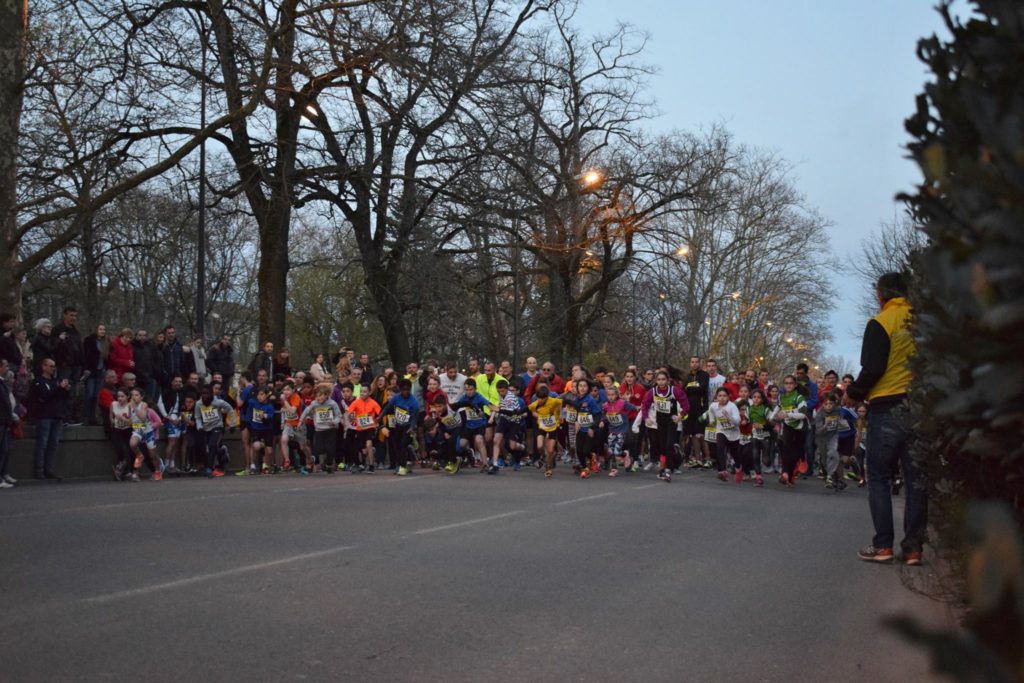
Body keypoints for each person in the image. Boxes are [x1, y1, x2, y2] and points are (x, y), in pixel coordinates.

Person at [848, 272, 925, 566]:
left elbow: (873, 367)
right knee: (917, 480)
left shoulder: (881, 322)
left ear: (881, 295)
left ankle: (883, 547)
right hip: (920, 406)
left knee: (879, 477)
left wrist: (854, 393)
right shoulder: (923, 321)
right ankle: (914, 549)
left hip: (887, 407)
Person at [639, 369, 689, 483]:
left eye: (663, 379)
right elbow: (645, 405)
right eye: (659, 380)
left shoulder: (674, 391)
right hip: (660, 422)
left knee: (668, 445)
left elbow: (685, 404)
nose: (661, 382)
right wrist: (646, 418)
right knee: (662, 447)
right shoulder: (652, 391)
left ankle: (666, 470)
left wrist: (680, 416)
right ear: (656, 380)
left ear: (668, 380)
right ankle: (663, 469)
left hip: (671, 422)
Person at [28, 357, 69, 480]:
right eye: (50, 366)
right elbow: (45, 396)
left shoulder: (55, 381)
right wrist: (60, 388)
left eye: (54, 366)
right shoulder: (38, 381)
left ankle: (48, 469)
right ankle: (39, 470)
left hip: (57, 415)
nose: (53, 368)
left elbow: (61, 397)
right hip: (44, 416)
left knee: (53, 444)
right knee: (43, 443)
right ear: (44, 367)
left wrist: (65, 390)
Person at [378, 378, 421, 476]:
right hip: (398, 425)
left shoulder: (414, 402)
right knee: (396, 445)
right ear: (400, 390)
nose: (406, 392)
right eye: (403, 390)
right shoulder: (396, 398)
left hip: (408, 426)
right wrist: (380, 416)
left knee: (403, 445)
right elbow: (387, 408)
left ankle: (402, 466)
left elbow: (415, 418)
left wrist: (412, 427)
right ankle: (401, 463)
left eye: (408, 390)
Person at [773, 375, 809, 488]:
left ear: (795, 385)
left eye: (791, 383)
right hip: (787, 425)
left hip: (800, 427)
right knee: (785, 448)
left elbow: (803, 414)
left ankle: (791, 474)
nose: (788, 385)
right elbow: (778, 408)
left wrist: (788, 414)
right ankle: (785, 473)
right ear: (784, 385)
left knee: (795, 453)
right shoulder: (781, 397)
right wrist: (772, 417)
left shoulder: (799, 398)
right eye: (786, 383)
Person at [194, 385, 235, 477]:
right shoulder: (198, 404)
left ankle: (209, 468)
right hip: (206, 428)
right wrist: (199, 427)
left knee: (212, 444)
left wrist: (232, 424)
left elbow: (230, 409)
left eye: (207, 394)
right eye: (203, 394)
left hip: (217, 426)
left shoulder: (218, 402)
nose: (204, 396)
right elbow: (197, 417)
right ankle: (222, 451)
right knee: (210, 448)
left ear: (211, 394)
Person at [528, 382, 563, 478]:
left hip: (552, 426)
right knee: (539, 446)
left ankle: (549, 468)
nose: (540, 400)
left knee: (551, 450)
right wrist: (539, 416)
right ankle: (543, 456)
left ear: (547, 397)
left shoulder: (553, 400)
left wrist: (559, 415)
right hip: (541, 426)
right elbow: (532, 411)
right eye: (539, 398)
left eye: (542, 398)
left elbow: (560, 403)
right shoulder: (535, 402)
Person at [346, 384, 382, 473]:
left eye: (365, 392)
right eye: (361, 391)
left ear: (369, 392)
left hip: (370, 427)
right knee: (364, 450)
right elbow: (350, 411)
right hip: (360, 429)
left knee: (369, 444)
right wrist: (351, 417)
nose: (362, 393)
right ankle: (364, 462)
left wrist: (378, 422)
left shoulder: (373, 403)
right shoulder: (356, 402)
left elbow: (380, 413)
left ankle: (371, 466)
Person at [814, 392, 845, 491]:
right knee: (825, 460)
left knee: (833, 453)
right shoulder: (819, 414)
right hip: (822, 438)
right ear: (823, 404)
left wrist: (841, 424)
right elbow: (818, 431)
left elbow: (843, 425)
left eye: (831, 404)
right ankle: (835, 479)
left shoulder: (838, 411)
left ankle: (830, 478)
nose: (828, 406)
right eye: (826, 404)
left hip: (834, 436)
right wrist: (825, 425)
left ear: (834, 404)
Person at [82, 324, 109, 425]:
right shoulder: (89, 340)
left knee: (96, 396)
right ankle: (86, 417)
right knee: (89, 394)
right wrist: (85, 368)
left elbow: (107, 357)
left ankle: (93, 417)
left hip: (101, 370)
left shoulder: (106, 342)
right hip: (90, 370)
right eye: (100, 329)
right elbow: (85, 355)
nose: (102, 331)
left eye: (104, 329)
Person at [0, 357, 19, 489]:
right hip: (1, 420)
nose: (7, 368)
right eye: (5, 366)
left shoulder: (3, 384)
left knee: (5, 449)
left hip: (5, 421)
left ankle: (2, 475)